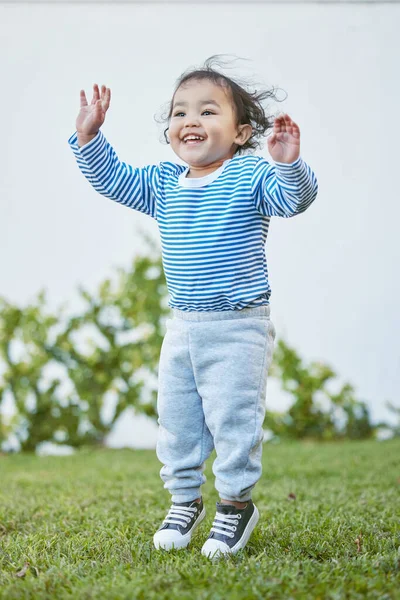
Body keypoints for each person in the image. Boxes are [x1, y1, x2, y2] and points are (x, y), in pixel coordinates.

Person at [68, 57, 318, 559]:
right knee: (177, 420)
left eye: (208, 111)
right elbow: (113, 179)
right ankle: (184, 500)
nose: (191, 121)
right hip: (183, 327)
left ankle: (234, 505)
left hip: (238, 326)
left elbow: (295, 201)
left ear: (242, 132)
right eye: (181, 112)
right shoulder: (165, 183)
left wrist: (289, 164)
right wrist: (90, 139)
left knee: (233, 421)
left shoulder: (251, 175)